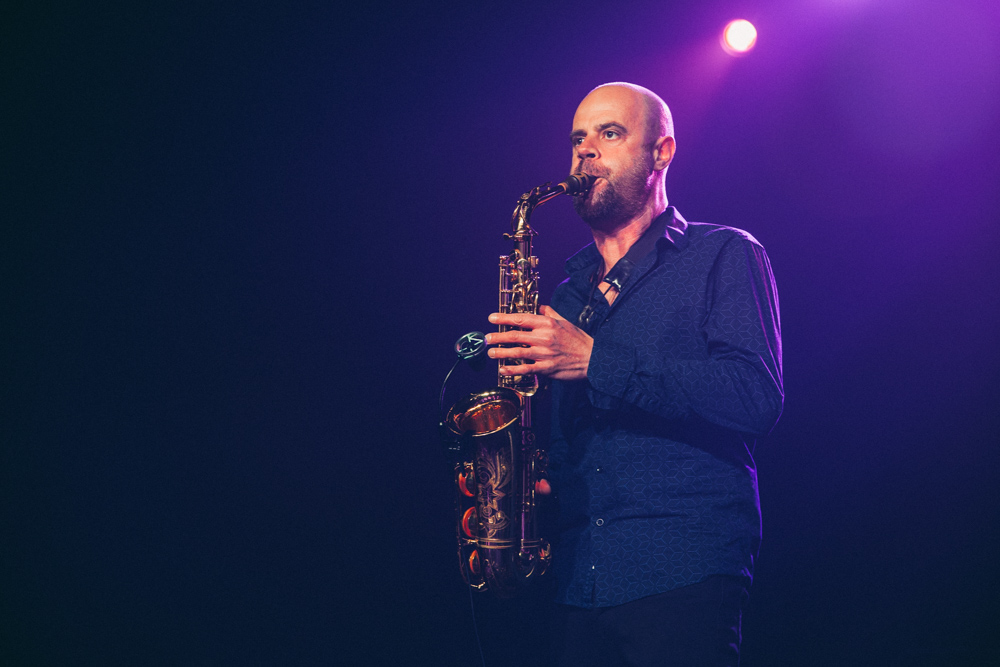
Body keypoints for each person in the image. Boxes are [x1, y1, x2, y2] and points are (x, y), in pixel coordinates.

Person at [485, 83, 783, 666]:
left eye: (610, 133)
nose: (585, 152)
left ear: (662, 152)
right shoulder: (566, 296)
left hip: (681, 568)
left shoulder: (723, 254)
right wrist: (532, 482)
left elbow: (755, 398)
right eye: (578, 139)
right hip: (576, 577)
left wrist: (597, 362)